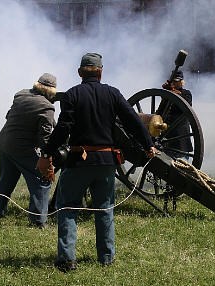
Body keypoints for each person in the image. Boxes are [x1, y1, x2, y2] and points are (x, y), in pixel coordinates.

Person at [36, 52, 156, 272]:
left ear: (80, 72)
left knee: (69, 208)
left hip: (78, 161)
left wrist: (47, 153)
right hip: (106, 162)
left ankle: (67, 260)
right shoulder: (112, 93)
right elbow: (132, 121)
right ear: (100, 72)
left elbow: (63, 128)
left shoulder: (73, 94)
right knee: (105, 209)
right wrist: (148, 144)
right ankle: (106, 258)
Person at [0, 73, 57, 228]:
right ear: (51, 92)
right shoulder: (47, 107)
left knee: (7, 177)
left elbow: (10, 115)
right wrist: (47, 158)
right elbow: (45, 137)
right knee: (42, 179)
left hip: (5, 140)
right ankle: (38, 221)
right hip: (21, 146)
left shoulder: (20, 95)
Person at [158, 70, 193, 160]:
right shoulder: (167, 93)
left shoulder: (186, 93)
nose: (175, 83)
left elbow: (186, 108)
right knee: (168, 155)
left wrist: (173, 92)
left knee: (183, 156)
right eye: (173, 81)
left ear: (182, 82)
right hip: (168, 130)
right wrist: (166, 93)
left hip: (180, 129)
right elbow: (161, 109)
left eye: (177, 81)